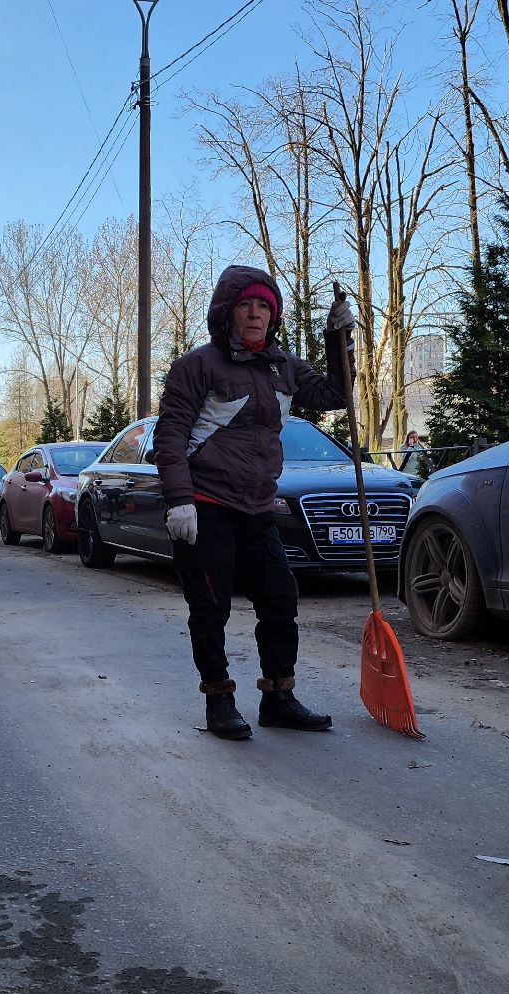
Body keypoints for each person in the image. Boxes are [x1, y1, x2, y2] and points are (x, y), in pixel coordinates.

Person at [151, 265, 354, 740]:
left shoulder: (283, 366)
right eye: (247, 305)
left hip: (258, 507)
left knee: (281, 601)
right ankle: (219, 700)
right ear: (227, 313)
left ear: (274, 314)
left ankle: (278, 697)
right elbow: (171, 435)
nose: (257, 314)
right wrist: (180, 500)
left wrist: (337, 340)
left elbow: (335, 394)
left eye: (264, 306)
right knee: (210, 607)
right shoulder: (198, 366)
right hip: (206, 504)